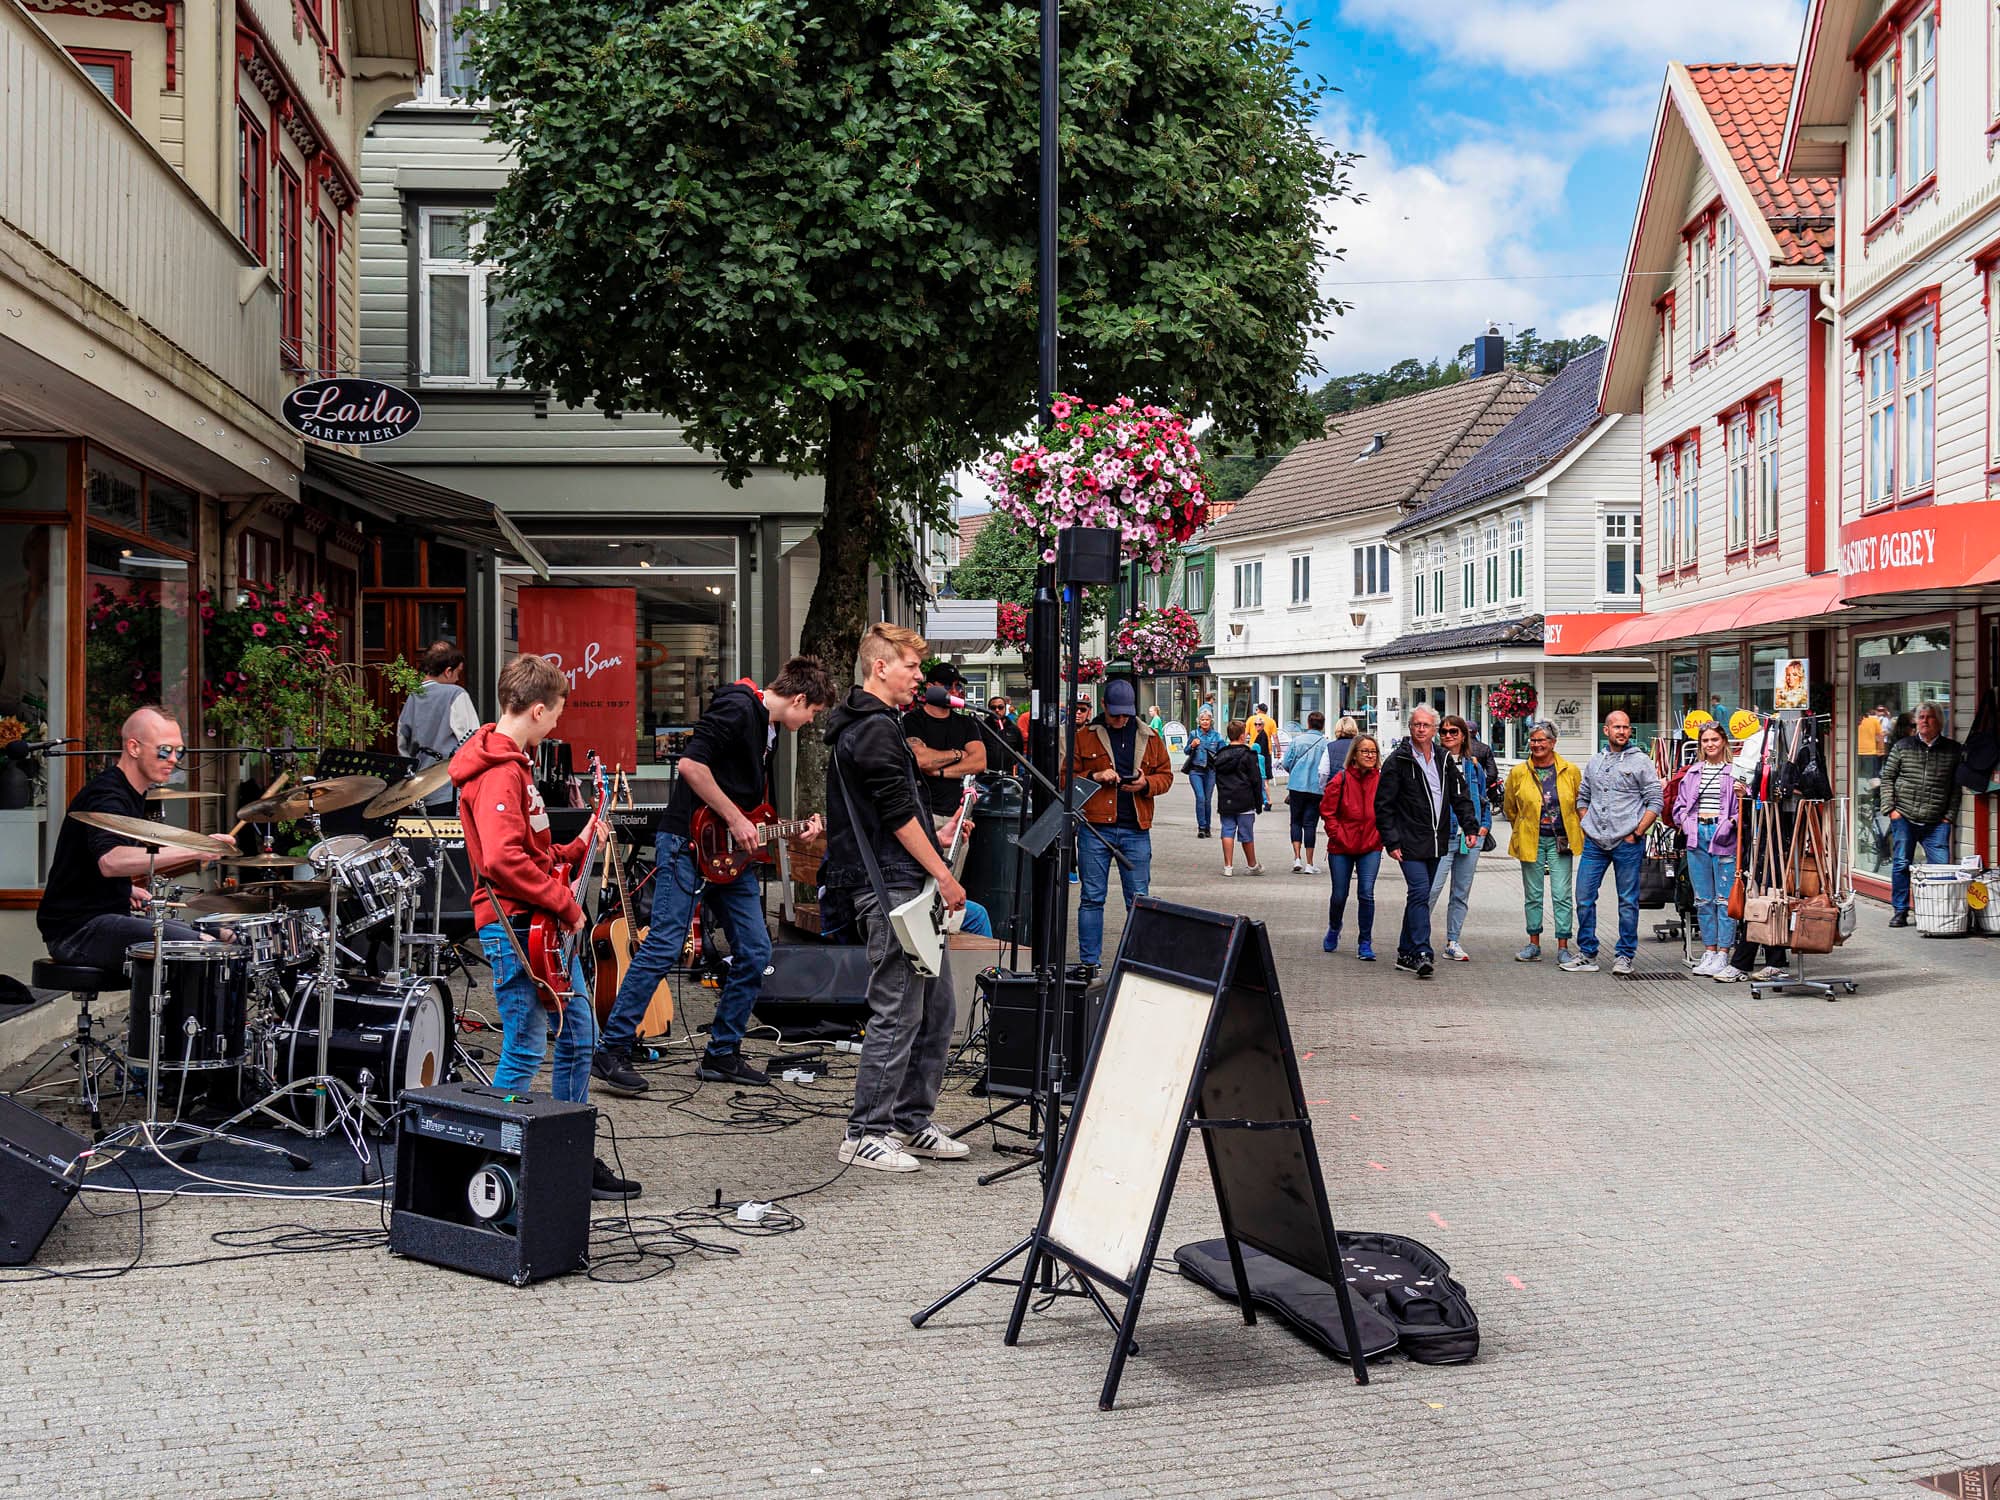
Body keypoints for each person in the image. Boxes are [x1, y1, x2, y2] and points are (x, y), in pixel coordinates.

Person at [591, 657, 837, 1096]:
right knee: (665, 942)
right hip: (686, 841)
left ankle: (722, 1052)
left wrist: (794, 826)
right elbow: (691, 766)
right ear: (800, 698)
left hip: (727, 856)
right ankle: (611, 1050)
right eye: (813, 712)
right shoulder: (739, 706)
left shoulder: (771, 730)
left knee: (756, 949)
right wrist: (736, 820)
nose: (811, 720)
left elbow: (749, 808)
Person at [451, 654, 635, 1202]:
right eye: (556, 713)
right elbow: (505, 862)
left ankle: (567, 1151)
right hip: (517, 927)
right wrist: (567, 903)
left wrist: (575, 848)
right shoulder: (499, 772)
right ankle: (494, 1161)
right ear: (535, 709)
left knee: (579, 1035)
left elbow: (528, 851)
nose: (558, 723)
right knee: (527, 1044)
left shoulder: (512, 764)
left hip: (534, 924)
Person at [821, 622, 975, 1173]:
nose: (919, 676)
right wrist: (946, 872)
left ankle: (911, 1121)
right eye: (910, 666)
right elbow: (894, 816)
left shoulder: (879, 725)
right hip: (889, 889)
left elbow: (892, 815)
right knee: (900, 1009)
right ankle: (865, 1131)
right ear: (879, 666)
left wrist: (941, 831)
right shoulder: (874, 730)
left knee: (937, 1010)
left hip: (902, 880)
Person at [38, 706, 237, 969]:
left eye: (180, 751)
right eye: (165, 750)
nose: (174, 759)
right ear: (134, 748)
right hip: (77, 932)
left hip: (100, 918)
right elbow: (111, 861)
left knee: (223, 935)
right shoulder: (107, 796)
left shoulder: (130, 792)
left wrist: (123, 890)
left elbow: (89, 862)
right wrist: (197, 847)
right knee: (200, 947)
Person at [1070, 678, 1173, 972]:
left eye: (1125, 713)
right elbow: (1064, 779)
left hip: (1136, 828)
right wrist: (1095, 776)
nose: (1120, 719)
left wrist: (1145, 784)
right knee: (1092, 897)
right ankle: (1090, 964)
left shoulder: (1150, 736)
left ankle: (1139, 963)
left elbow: (1166, 776)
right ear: (1103, 706)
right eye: (1115, 714)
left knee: (1139, 898)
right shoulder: (1085, 736)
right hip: (1096, 828)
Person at [1374, 705, 1477, 980]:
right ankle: (1421, 952)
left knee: (1420, 896)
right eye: (1416, 725)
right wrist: (1391, 840)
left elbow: (1460, 795)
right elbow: (1383, 805)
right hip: (1409, 840)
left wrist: (1470, 825)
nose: (1421, 729)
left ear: (1434, 729)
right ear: (1410, 728)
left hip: (1436, 839)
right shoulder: (1398, 760)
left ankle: (1404, 952)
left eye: (1426, 725)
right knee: (1420, 892)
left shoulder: (1444, 758)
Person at [1563, 710, 1663, 976]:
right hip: (1595, 842)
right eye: (1616, 727)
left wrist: (1638, 832)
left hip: (1627, 842)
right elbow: (1582, 796)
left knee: (1628, 901)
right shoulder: (1595, 761)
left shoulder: (1641, 761)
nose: (1622, 731)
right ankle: (1587, 953)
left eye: (1626, 727)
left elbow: (1655, 800)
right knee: (1584, 897)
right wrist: (1587, 823)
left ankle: (1624, 955)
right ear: (1606, 730)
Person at [1502, 721, 1581, 966]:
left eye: (1541, 740)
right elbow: (1510, 808)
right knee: (1533, 894)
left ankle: (1563, 945)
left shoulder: (1570, 771)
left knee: (1562, 894)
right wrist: (1525, 826)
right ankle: (1533, 943)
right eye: (1533, 740)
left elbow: (1579, 804)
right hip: (1531, 840)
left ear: (1553, 743)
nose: (1536, 745)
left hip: (1561, 841)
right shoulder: (1518, 772)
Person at [1882, 700, 1964, 927]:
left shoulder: (1953, 750)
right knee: (1901, 864)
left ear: (1940, 722)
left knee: (1940, 869)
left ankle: (1937, 911)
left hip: (1937, 820)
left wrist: (1949, 816)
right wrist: (1891, 810)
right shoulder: (1903, 746)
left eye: (1930, 717)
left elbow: (1956, 788)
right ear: (1916, 722)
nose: (1925, 721)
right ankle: (1900, 911)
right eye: (1921, 717)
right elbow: (1888, 778)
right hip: (1905, 816)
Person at [1672, 721, 1742, 976]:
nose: (1710, 744)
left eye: (1714, 739)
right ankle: (1709, 950)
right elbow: (1679, 805)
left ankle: (1724, 952)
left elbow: (1742, 806)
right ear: (1700, 745)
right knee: (1703, 899)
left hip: (1723, 836)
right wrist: (1685, 822)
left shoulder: (1734, 771)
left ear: (1723, 741)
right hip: (1696, 836)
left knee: (1724, 899)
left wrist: (1731, 822)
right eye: (1705, 741)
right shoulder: (1692, 772)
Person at [1430, 715, 1491, 961]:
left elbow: (1484, 798)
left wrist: (1484, 826)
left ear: (1463, 735)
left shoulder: (1473, 766)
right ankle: (1417, 939)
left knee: (1460, 893)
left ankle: (1453, 941)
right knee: (1430, 890)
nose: (1447, 736)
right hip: (1442, 837)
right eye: (1443, 731)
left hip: (1469, 838)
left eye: (1453, 731)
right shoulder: (1432, 763)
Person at [1319, 733, 1382, 960]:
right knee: (1339, 894)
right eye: (1365, 751)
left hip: (1371, 845)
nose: (1369, 755)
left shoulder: (1381, 780)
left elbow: (1388, 809)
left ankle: (1365, 942)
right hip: (1342, 846)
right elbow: (1327, 811)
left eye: (1373, 752)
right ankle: (1334, 927)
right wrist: (1336, 834)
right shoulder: (1341, 779)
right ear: (1354, 755)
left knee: (1366, 893)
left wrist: (1382, 834)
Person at [396, 640, 479, 810]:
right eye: (458, 673)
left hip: (419, 791)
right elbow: (474, 741)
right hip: (449, 790)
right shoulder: (456, 694)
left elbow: (402, 745)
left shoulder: (412, 697)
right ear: (448, 671)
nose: (457, 679)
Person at [904, 663, 986, 819]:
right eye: (948, 685)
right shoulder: (913, 720)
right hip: (925, 813)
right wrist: (959, 754)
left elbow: (979, 762)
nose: (954, 691)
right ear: (929, 687)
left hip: (957, 813)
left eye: (958, 686)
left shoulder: (966, 723)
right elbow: (922, 760)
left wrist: (940, 772)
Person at [1212, 720, 1264, 876]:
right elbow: (1256, 780)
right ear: (1243, 736)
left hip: (1226, 798)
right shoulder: (1249, 755)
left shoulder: (1220, 755)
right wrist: (1259, 802)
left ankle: (1228, 866)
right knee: (1246, 833)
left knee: (1227, 830)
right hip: (1245, 799)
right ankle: (1252, 864)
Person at [1280, 711, 1330, 873]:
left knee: (1295, 821)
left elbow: (1286, 763)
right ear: (1322, 726)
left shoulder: (1297, 741)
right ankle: (1309, 863)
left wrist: (1295, 772)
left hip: (1296, 786)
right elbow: (1326, 769)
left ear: (1308, 724)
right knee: (1310, 824)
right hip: (1316, 788)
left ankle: (1297, 858)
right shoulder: (1325, 744)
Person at [1184, 709, 1225, 839]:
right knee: (1200, 798)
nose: (1205, 722)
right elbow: (1186, 751)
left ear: (1211, 721)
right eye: (1202, 720)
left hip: (1210, 771)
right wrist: (1192, 745)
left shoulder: (1217, 736)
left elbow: (1224, 753)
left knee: (1207, 800)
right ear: (1199, 721)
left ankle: (1207, 828)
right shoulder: (1194, 734)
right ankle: (1201, 827)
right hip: (1196, 771)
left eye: (1207, 719)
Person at [1248, 703, 1279, 811]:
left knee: (1262, 779)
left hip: (1258, 755)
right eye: (1255, 724)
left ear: (1258, 710)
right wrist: (1278, 750)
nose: (1256, 726)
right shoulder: (1271, 721)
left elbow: (1244, 734)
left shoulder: (1251, 719)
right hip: (1267, 754)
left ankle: (1266, 800)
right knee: (1263, 779)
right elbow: (1275, 736)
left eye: (1258, 724)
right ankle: (1262, 799)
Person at [1319, 716, 1359, 782]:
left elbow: (1323, 772)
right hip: (1355, 786)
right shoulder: (1360, 745)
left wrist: (1325, 787)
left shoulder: (1330, 746)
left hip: (1336, 786)